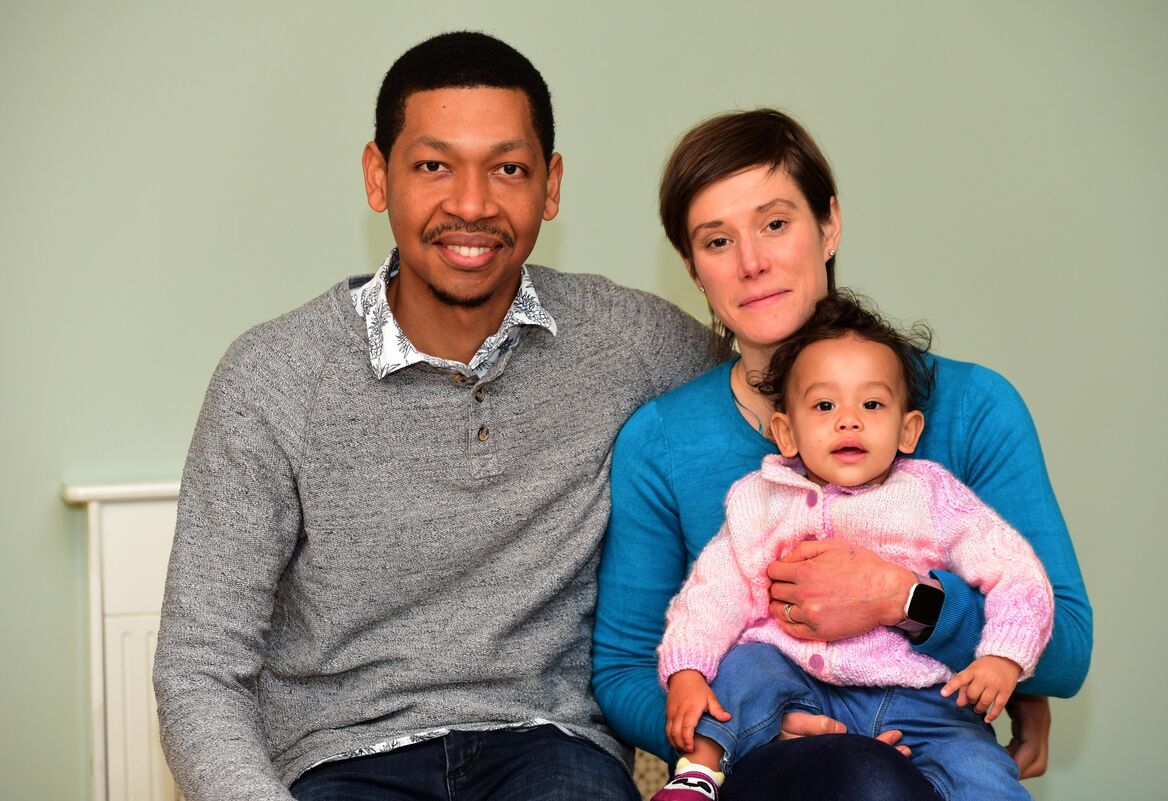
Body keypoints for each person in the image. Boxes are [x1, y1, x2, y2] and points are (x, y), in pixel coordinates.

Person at [152, 32, 724, 801]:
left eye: (509, 169)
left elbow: (787, 390)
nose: (471, 204)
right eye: (433, 165)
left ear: (550, 187)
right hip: (338, 759)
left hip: (550, 750)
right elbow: (199, 668)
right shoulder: (272, 378)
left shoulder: (631, 341)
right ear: (376, 175)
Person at [593, 109, 1093, 800]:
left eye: (775, 223)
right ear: (692, 266)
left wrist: (903, 600)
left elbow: (1064, 649)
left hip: (935, 735)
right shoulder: (661, 440)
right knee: (861, 779)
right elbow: (623, 669)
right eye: (717, 240)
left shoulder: (974, 407)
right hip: (772, 768)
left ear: (829, 225)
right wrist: (754, 724)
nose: (752, 262)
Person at [652, 291, 1054, 801]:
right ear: (787, 432)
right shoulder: (760, 500)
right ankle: (698, 773)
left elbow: (1017, 571)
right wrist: (687, 670)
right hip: (797, 683)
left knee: (983, 768)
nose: (849, 420)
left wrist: (1004, 657)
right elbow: (713, 593)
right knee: (746, 664)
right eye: (824, 405)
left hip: (924, 700)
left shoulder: (931, 495)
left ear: (908, 430)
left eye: (872, 403)